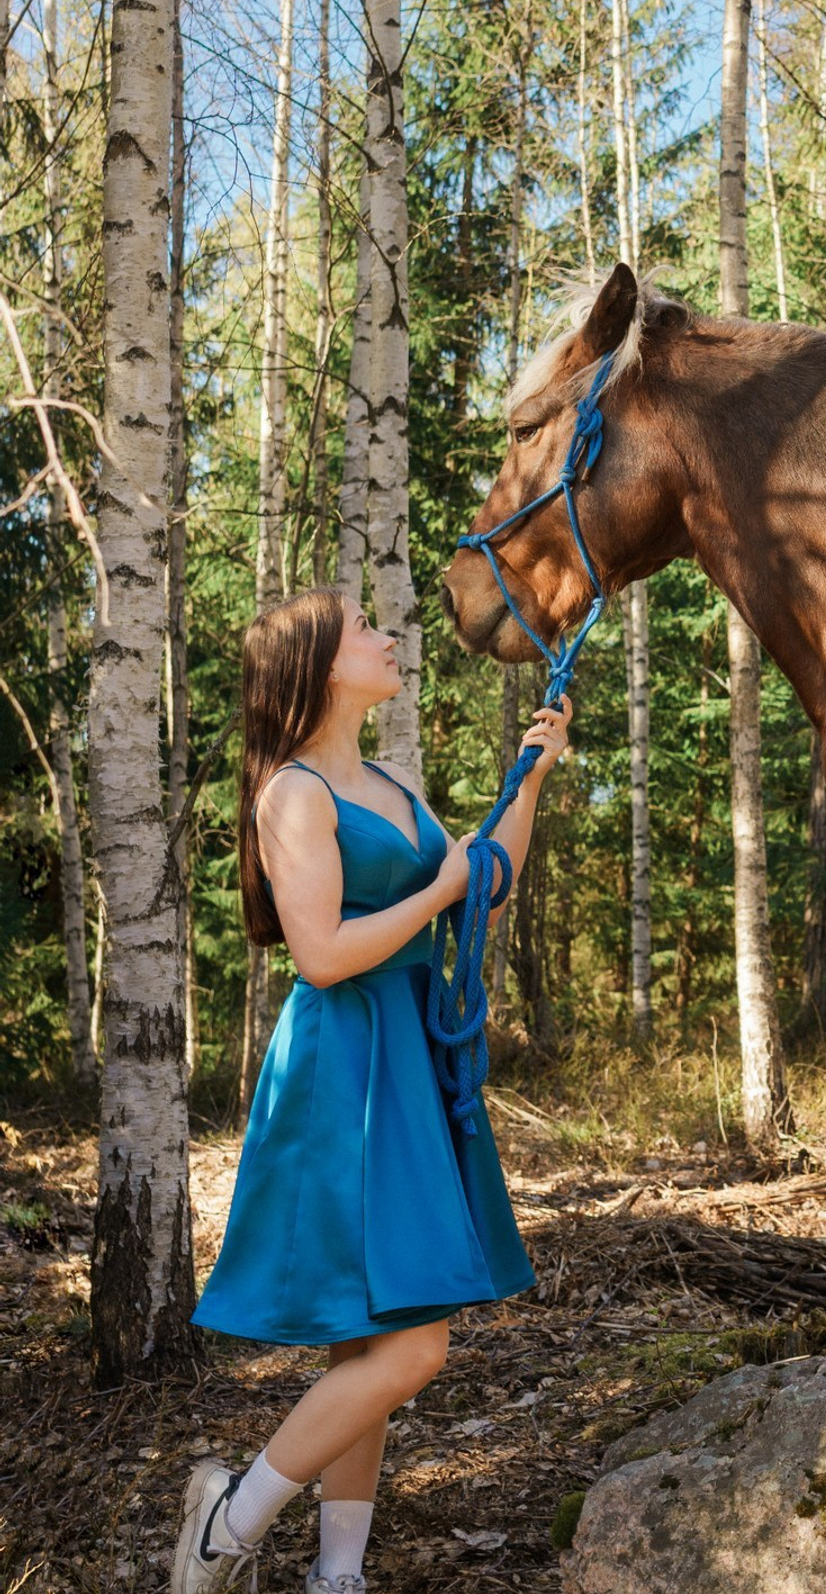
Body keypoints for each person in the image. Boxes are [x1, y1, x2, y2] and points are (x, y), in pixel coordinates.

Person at [171, 586, 567, 1594]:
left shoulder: (389, 782)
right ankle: (229, 1520)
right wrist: (435, 892)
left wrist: (531, 780)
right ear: (314, 665)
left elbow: (482, 880)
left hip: (402, 1056)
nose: (388, 639)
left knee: (375, 1337)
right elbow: (320, 954)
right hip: (343, 1068)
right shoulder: (295, 793)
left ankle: (335, 1575)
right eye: (363, 630)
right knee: (414, 1346)